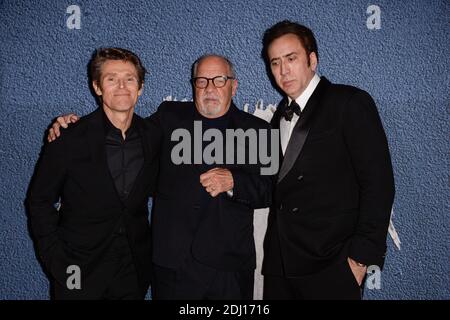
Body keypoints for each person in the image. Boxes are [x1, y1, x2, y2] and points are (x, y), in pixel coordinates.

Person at [47, 54, 274, 299]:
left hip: (229, 267)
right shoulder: (169, 116)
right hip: (173, 267)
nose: (210, 88)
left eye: (219, 80)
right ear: (193, 84)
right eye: (202, 81)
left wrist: (234, 182)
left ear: (234, 85)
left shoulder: (259, 130)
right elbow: (125, 132)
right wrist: (75, 126)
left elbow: (273, 190)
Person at [261, 20, 395, 300]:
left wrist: (359, 260)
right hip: (280, 267)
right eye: (275, 63)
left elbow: (378, 184)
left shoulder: (349, 102)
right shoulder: (277, 118)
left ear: (312, 59)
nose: (283, 70)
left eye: (291, 58)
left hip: (331, 264)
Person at [26, 47, 160, 299]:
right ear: (97, 87)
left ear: (140, 87)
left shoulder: (154, 135)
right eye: (111, 79)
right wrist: (59, 263)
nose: (122, 86)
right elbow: (39, 201)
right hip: (78, 270)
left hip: (133, 271)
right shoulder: (69, 137)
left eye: (129, 79)